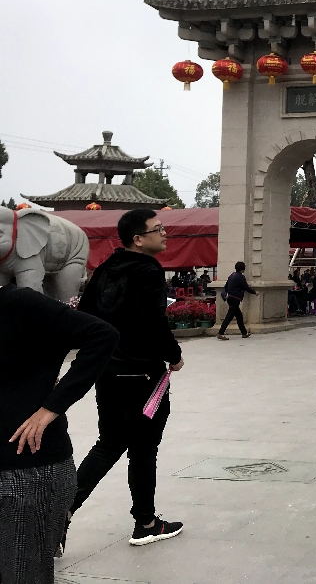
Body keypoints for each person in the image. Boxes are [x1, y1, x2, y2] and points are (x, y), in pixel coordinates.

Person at [70, 208, 185, 548]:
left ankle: (60, 511)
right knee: (143, 449)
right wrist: (174, 354)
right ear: (138, 239)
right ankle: (146, 523)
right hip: (142, 376)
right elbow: (154, 320)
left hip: (108, 374)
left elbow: (85, 317)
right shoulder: (148, 269)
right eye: (157, 229)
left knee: (109, 443)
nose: (164, 233)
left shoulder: (106, 267)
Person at [1, 285, 119, 582]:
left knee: (22, 575)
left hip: (28, 473)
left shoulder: (19, 303)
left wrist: (51, 407)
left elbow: (102, 335)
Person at [219, 261, 258, 339]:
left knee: (239, 316)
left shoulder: (232, 275)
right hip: (235, 298)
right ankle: (221, 332)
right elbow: (246, 287)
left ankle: (244, 333)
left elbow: (226, 286)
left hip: (230, 297)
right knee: (229, 316)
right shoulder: (240, 277)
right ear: (243, 269)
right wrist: (254, 292)